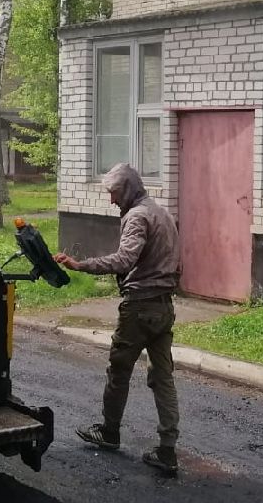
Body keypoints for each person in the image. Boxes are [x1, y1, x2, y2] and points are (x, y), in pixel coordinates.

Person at [55, 162, 182, 475]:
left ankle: (110, 432)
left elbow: (125, 259)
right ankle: (168, 450)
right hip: (164, 307)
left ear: (127, 189)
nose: (111, 200)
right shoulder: (161, 212)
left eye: (114, 193)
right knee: (163, 377)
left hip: (139, 308)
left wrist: (81, 265)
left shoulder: (137, 216)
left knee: (119, 371)